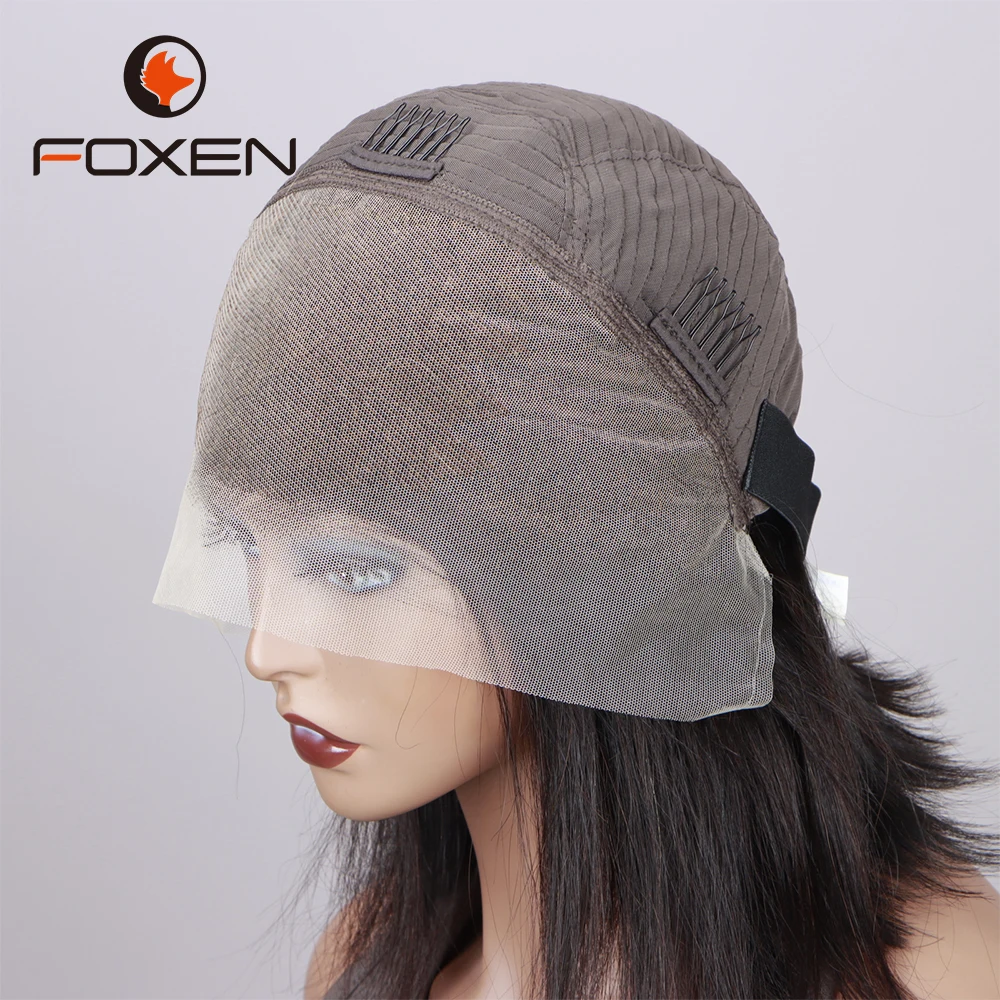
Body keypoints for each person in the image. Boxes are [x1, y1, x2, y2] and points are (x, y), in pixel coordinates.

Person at [152, 82, 999, 999]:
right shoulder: (367, 961)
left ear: (602, 570)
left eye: (358, 571)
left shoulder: (924, 977)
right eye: (244, 545)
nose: (265, 649)